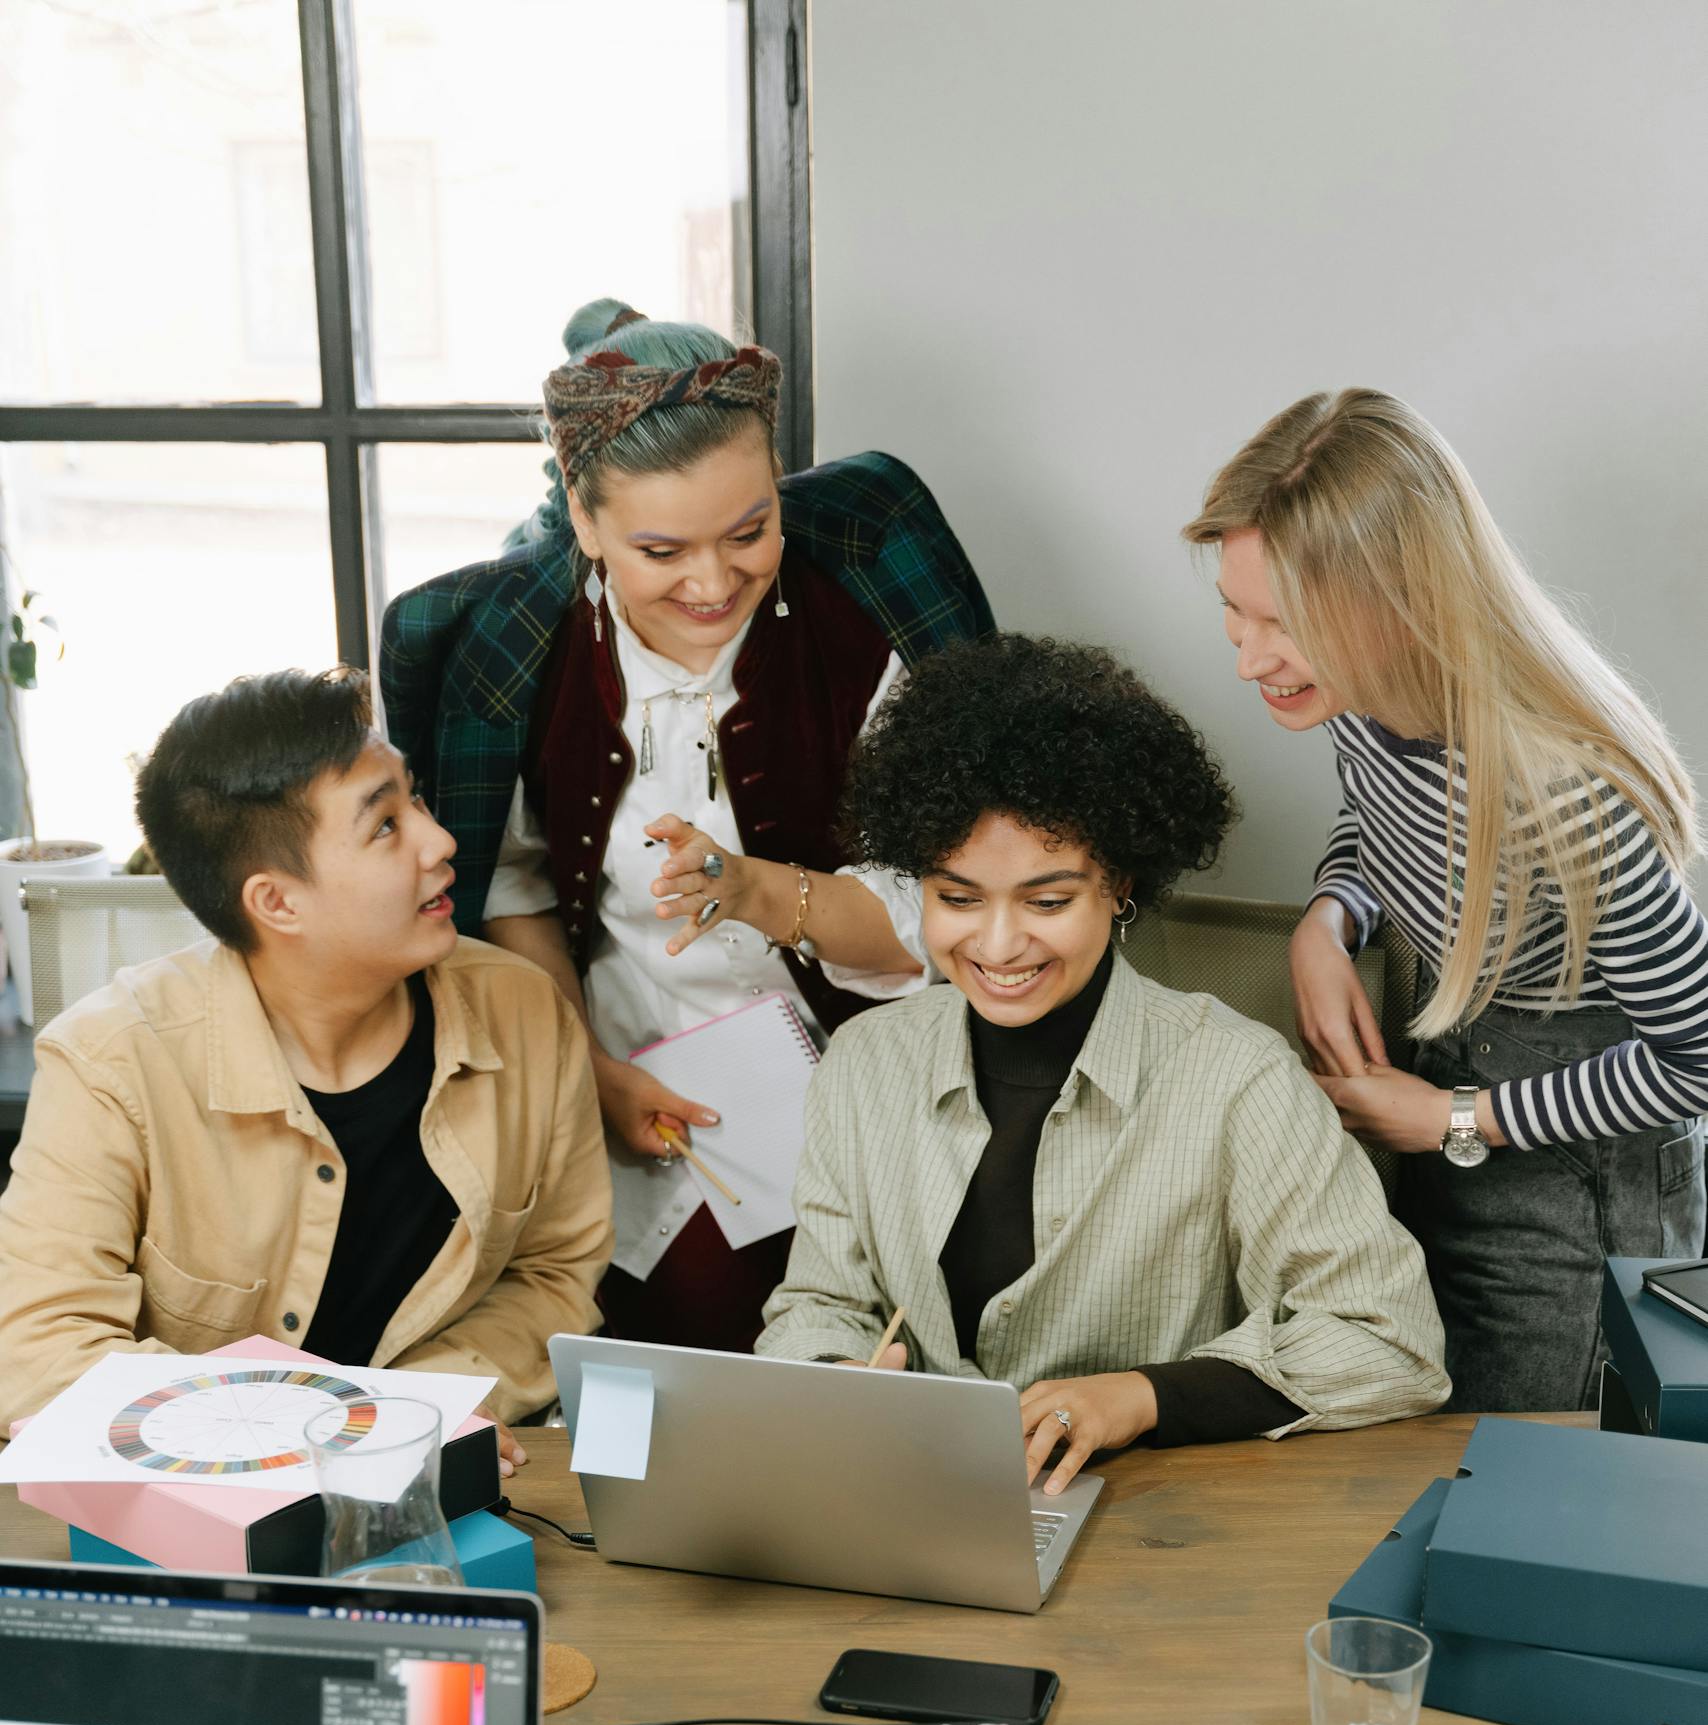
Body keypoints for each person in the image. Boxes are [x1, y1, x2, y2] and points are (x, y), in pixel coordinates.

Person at [383, 298, 991, 1352]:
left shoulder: (867, 626)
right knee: (643, 1379)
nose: (713, 583)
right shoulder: (517, 653)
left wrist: (757, 891)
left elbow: (946, 911)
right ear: (582, 519)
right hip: (614, 1069)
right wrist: (586, 1071)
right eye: (661, 549)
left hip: (859, 1078)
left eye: (750, 531)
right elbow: (513, 888)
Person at [756, 634, 1448, 1482]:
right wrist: (834, 1379)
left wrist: (1143, 1397)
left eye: (1047, 900)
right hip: (910, 1506)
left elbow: (1390, 1340)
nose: (999, 944)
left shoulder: (1238, 1080)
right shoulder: (863, 1063)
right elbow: (818, 1305)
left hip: (1156, 1534)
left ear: (1118, 884)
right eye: (956, 898)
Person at [1184, 389, 1707, 1410]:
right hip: (1451, 1100)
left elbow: (1697, 1057)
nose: (1248, 660)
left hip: (1578, 1178)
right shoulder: (1356, 697)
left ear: (1402, 601)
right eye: (1233, 614)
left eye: (1281, 625)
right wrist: (1328, 921)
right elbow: (1382, 825)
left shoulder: (1566, 796)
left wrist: (1455, 1118)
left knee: (1529, 1474)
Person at [0, 669, 613, 1437]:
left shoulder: (523, 1012)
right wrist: (328, 1430)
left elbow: (553, 1276)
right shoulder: (108, 1063)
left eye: (412, 797)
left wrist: (412, 1415)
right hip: (198, 1503)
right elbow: (39, 1352)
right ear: (276, 902)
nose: (440, 840)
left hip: (445, 1472)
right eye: (385, 826)